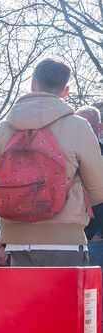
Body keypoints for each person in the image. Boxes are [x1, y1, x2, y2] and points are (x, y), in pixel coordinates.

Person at [0, 58, 103, 266]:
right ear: (65, 91)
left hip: (16, 244)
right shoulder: (78, 127)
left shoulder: (8, 126)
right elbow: (99, 189)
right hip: (65, 243)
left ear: (33, 84)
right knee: (62, 300)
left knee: (25, 300)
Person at [77, 106, 103, 268]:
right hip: (70, 240)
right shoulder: (69, 154)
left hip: (96, 242)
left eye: (87, 127)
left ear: (99, 128)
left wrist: (99, 233)